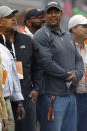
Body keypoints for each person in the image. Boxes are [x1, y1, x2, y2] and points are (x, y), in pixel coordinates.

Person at [33, 1, 84, 131]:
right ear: (45, 15)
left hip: (70, 95)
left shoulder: (68, 36)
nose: (53, 15)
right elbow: (46, 63)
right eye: (50, 12)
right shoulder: (41, 35)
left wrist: (77, 74)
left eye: (56, 12)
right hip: (52, 96)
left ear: (61, 14)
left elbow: (78, 59)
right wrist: (69, 75)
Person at [0, 6, 43, 131]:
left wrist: (36, 88)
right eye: (9, 17)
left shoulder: (27, 40)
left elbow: (38, 67)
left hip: (26, 96)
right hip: (3, 99)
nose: (14, 19)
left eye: (14, 17)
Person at [0, 34, 25, 131]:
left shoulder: (4, 49)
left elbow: (13, 76)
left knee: (10, 128)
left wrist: (19, 102)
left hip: (6, 100)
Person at [68, 14, 87, 131]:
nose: (86, 29)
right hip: (73, 95)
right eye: (83, 26)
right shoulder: (67, 47)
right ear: (73, 28)